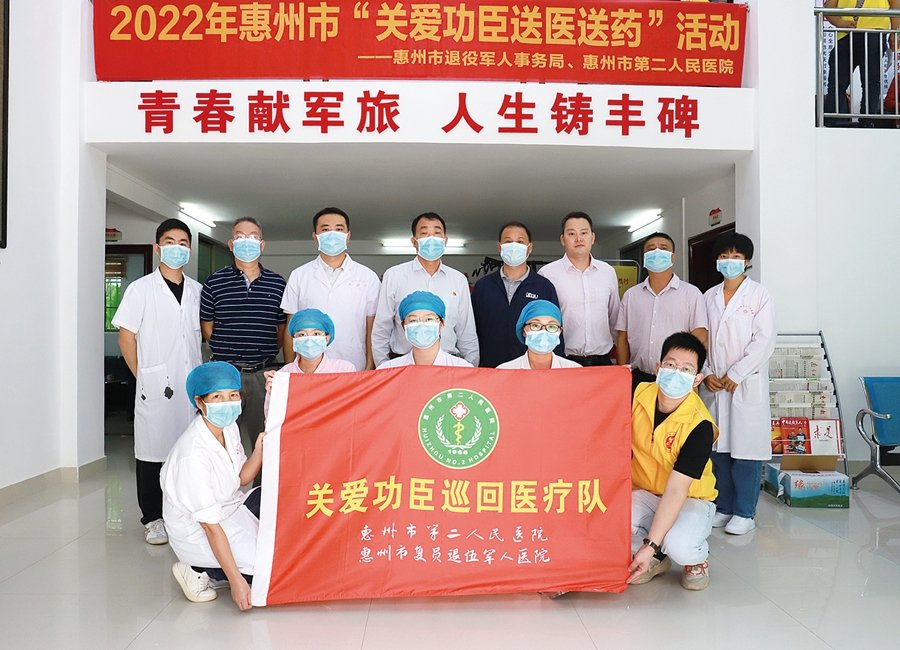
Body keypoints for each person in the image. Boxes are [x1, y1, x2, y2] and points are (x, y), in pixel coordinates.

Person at [112, 218, 202, 546]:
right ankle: (152, 519)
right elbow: (126, 338)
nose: (176, 248)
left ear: (189, 250)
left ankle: (184, 512)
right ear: (157, 248)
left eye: (183, 243)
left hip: (190, 385)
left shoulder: (197, 291)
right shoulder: (140, 289)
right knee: (152, 453)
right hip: (155, 387)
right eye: (169, 242)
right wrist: (145, 378)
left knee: (188, 452)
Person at [160, 362, 263, 611]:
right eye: (217, 397)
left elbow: (241, 478)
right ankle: (201, 571)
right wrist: (237, 584)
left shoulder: (228, 427)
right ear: (199, 402)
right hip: (201, 530)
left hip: (231, 508)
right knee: (269, 567)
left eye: (233, 395)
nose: (227, 403)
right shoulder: (191, 455)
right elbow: (210, 526)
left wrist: (260, 450)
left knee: (278, 500)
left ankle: (232, 565)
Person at [627, 332, 718, 591]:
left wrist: (650, 544)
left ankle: (696, 559)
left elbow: (677, 490)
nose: (677, 372)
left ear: (697, 379)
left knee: (680, 545)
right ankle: (656, 557)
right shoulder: (637, 395)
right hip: (643, 491)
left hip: (689, 498)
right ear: (658, 368)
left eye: (686, 369)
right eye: (670, 364)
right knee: (606, 522)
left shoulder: (700, 425)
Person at [700, 233, 776, 536]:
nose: (729, 261)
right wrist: (707, 372)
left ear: (747, 261)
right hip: (716, 385)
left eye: (736, 256)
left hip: (744, 384)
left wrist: (737, 373)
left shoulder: (759, 294)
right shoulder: (708, 296)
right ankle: (724, 507)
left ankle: (745, 512)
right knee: (719, 450)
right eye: (724, 256)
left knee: (746, 452)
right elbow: (702, 339)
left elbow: (764, 340)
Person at [200, 217, 286, 482]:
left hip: (264, 375)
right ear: (230, 244)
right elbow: (208, 328)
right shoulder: (214, 283)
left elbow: (281, 331)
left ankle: (260, 497)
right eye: (240, 236)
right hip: (226, 376)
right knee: (220, 439)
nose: (246, 242)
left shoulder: (277, 283)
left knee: (265, 441)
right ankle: (223, 495)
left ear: (262, 244)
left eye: (253, 236)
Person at [372, 212, 479, 367]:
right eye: (424, 233)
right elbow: (381, 328)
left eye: (437, 233)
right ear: (414, 241)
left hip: (449, 366)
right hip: (403, 365)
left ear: (445, 240)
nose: (431, 239)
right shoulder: (395, 275)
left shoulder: (458, 279)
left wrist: (469, 369)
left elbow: (466, 331)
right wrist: (384, 368)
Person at [281, 207, 381, 371]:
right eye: (326, 229)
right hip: (308, 368)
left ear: (348, 236)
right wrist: (290, 369)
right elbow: (290, 327)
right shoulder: (299, 275)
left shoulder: (368, 277)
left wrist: (370, 367)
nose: (332, 235)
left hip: (354, 365)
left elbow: (372, 329)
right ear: (316, 237)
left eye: (339, 229)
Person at [616, 232, 708, 393]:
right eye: (651, 249)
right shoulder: (631, 295)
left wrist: (693, 378)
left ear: (673, 257)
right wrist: (623, 374)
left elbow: (700, 338)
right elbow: (622, 338)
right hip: (639, 377)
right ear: (644, 257)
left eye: (663, 248)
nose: (657, 252)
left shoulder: (691, 294)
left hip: (677, 377)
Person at [471, 221, 563, 367]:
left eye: (520, 242)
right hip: (491, 369)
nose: (514, 246)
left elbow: (555, 328)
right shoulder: (483, 286)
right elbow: (472, 330)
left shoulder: (544, 287)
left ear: (529, 248)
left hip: (530, 369)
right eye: (508, 242)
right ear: (500, 247)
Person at [538, 211, 620, 366]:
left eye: (584, 233)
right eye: (571, 234)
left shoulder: (608, 272)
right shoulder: (547, 274)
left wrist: (622, 363)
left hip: (601, 362)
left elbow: (615, 319)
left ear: (592, 237)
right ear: (563, 239)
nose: (578, 239)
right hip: (563, 361)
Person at [263, 308, 357, 416]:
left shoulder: (344, 370)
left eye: (316, 334)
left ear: (327, 338)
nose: (309, 340)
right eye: (302, 335)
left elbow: (352, 412)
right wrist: (274, 394)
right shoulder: (284, 375)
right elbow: (272, 420)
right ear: (294, 340)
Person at [823, 0, 900, 127]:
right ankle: (829, 121)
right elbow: (829, 7)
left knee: (871, 81)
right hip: (846, 34)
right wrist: (840, 23)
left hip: (875, 32)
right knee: (837, 82)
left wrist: (895, 32)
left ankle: (867, 121)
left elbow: (895, 4)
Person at [376, 291, 474, 368]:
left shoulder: (462, 369)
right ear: (404, 326)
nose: (421, 325)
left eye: (429, 319)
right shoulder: (389, 370)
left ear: (441, 324)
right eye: (413, 320)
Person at [497, 300, 581, 369]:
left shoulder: (574, 371)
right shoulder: (504, 372)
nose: (543, 331)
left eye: (551, 326)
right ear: (523, 331)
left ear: (559, 332)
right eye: (535, 325)